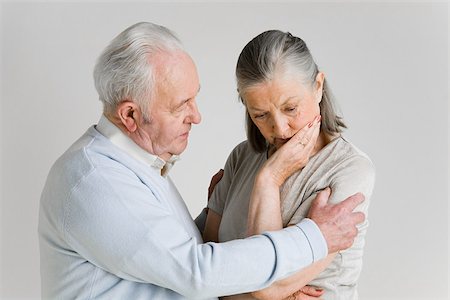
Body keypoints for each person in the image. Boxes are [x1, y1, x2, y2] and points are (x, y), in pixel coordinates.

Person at [38, 22, 365, 299]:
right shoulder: (96, 181)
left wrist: (214, 212)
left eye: (195, 98)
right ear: (130, 115)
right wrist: (318, 238)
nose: (196, 116)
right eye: (181, 105)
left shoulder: (133, 167)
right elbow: (197, 272)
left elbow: (157, 255)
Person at [203, 30, 375, 299]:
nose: (280, 128)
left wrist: (269, 181)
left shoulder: (350, 170)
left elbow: (266, 284)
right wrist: (269, 177)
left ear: (318, 86)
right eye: (260, 115)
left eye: (291, 108)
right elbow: (205, 273)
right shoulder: (241, 158)